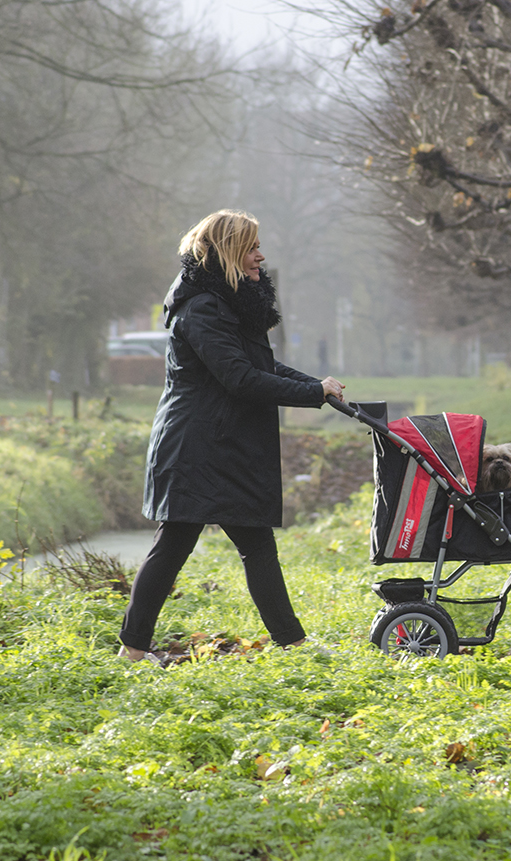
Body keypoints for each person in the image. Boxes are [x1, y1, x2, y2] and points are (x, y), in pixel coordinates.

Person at [118, 209, 345, 661]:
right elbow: (240, 379)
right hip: (198, 447)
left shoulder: (227, 302)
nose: (261, 255)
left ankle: (293, 644)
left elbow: (258, 367)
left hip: (221, 444)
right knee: (176, 545)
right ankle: (132, 649)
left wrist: (317, 387)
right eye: (251, 248)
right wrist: (313, 394)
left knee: (255, 543)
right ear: (228, 253)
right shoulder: (202, 308)